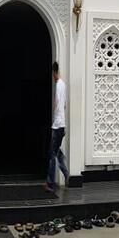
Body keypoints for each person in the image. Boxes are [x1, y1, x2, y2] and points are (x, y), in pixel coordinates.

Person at [45, 61, 70, 193]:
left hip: (57, 124)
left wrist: (54, 119)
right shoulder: (63, 85)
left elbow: (58, 104)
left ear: (54, 72)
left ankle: (50, 183)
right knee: (57, 151)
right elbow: (64, 104)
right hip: (62, 124)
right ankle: (65, 173)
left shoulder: (58, 86)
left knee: (52, 154)